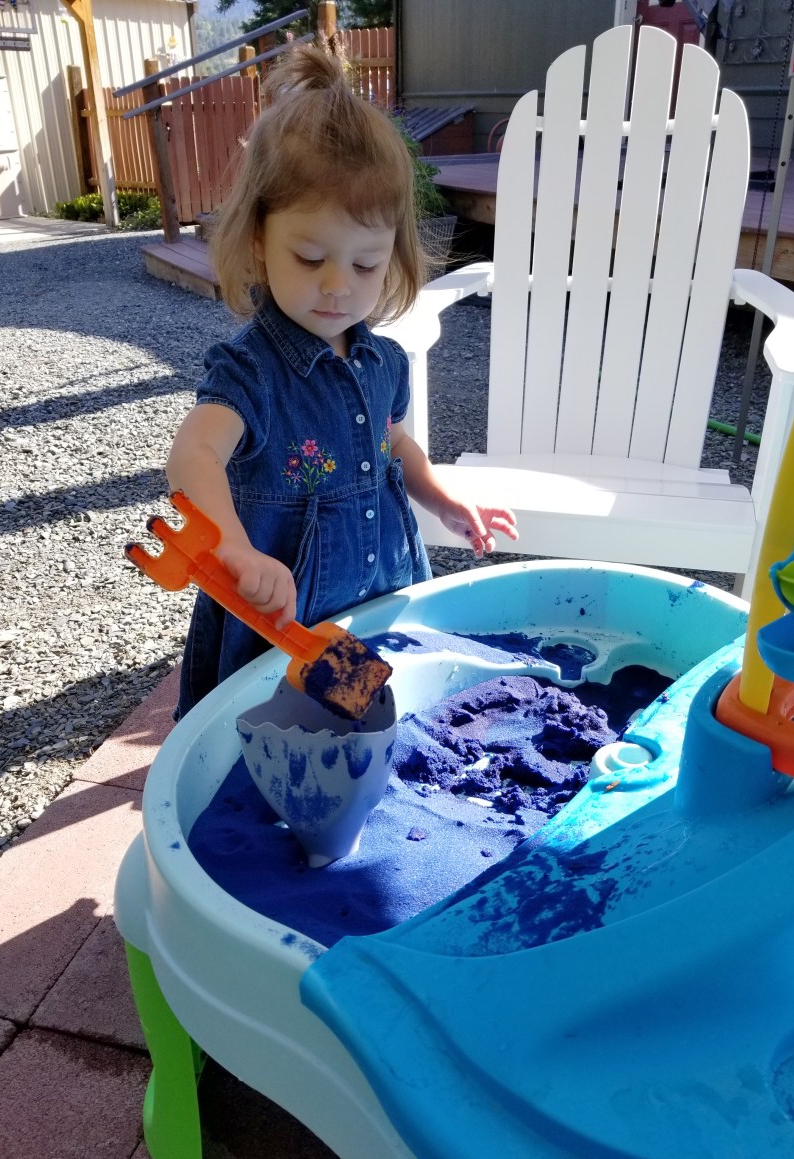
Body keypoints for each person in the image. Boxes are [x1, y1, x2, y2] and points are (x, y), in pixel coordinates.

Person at [167, 40, 518, 718]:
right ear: (259, 240)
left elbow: (393, 443)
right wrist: (232, 549)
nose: (337, 286)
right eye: (309, 257)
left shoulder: (383, 361)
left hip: (380, 589)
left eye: (364, 265)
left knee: (376, 718)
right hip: (280, 618)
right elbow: (194, 453)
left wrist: (443, 499)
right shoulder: (252, 371)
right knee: (274, 731)